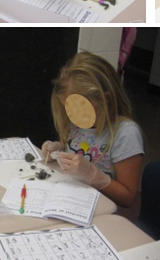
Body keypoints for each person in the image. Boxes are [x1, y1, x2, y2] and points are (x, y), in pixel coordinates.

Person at [41, 52, 144, 208]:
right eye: (68, 109)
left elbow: (128, 198)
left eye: (79, 110)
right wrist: (58, 149)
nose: (73, 117)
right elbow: (76, 147)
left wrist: (94, 176)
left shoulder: (125, 134)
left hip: (100, 210)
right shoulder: (77, 122)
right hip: (70, 199)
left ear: (106, 99)